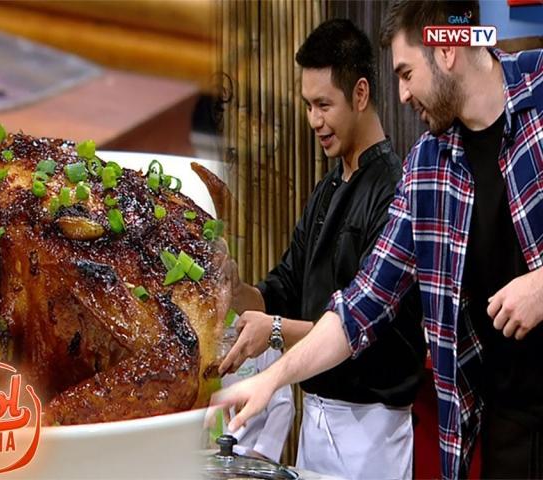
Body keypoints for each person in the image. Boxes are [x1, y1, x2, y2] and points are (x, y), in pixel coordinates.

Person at [210, 1, 543, 479]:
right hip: (506, 421)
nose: (402, 94)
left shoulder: (538, 89)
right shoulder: (426, 165)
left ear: (446, 50)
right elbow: (361, 306)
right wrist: (271, 378)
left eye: (406, 73)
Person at [220, 19, 425, 479]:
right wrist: (236, 291)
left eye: (324, 105)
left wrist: (274, 332)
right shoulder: (326, 190)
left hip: (372, 434)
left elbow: (362, 331)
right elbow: (282, 290)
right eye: (308, 105)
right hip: (315, 421)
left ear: (360, 94)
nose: (314, 120)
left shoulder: (396, 190)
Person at [221, 330, 294, 463]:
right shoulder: (190, 334)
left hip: (246, 454)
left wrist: (263, 454)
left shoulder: (254, 332)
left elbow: (282, 404)